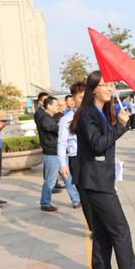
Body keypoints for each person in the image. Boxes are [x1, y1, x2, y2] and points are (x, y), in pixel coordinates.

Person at [70, 71, 135, 269]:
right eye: (105, 85)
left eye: (111, 85)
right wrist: (119, 126)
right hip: (96, 182)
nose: (110, 89)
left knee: (102, 232)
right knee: (120, 230)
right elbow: (98, 145)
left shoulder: (98, 112)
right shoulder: (88, 113)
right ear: (94, 89)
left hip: (99, 179)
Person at [58, 81, 93, 231]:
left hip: (93, 158)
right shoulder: (66, 120)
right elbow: (61, 143)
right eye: (80, 97)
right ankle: (93, 228)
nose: (83, 100)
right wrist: (62, 164)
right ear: (73, 98)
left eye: (86, 96)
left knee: (97, 194)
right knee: (85, 196)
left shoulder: (94, 114)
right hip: (77, 160)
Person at [39, 96, 80, 211]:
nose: (59, 107)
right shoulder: (44, 118)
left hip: (60, 153)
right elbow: (57, 129)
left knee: (68, 178)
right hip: (51, 154)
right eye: (56, 105)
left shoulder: (53, 116)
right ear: (49, 106)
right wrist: (64, 121)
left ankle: (76, 200)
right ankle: (45, 203)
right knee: (50, 181)